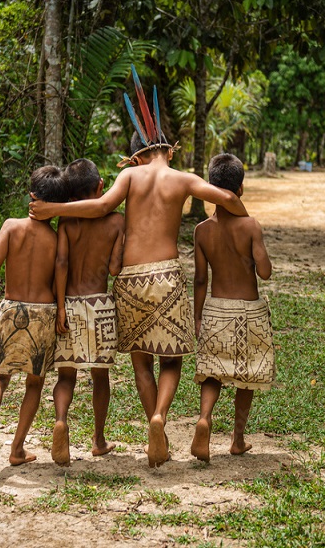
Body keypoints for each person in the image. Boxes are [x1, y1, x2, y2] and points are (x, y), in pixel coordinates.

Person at [29, 75, 247, 467]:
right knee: (172, 361)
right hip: (166, 276)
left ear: (138, 154)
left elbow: (99, 208)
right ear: (167, 149)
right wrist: (242, 215)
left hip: (129, 280)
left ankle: (152, 423)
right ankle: (160, 417)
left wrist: (54, 210)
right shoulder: (183, 179)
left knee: (141, 362)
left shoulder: (129, 176)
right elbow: (228, 199)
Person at [0, 165, 68, 469]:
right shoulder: (57, 237)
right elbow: (60, 274)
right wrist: (60, 309)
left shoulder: (11, 226)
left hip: (12, 309)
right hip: (44, 313)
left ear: (32, 197)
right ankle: (17, 448)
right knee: (34, 384)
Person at [189, 153, 275, 463]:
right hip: (249, 312)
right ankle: (237, 439)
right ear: (240, 189)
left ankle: (204, 419)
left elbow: (200, 280)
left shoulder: (201, 230)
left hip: (215, 310)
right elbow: (264, 273)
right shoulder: (250, 225)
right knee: (246, 376)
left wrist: (198, 317)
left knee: (213, 373)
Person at [50, 158, 125, 466]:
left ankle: (61, 421)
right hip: (100, 307)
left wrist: (59, 306)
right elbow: (114, 267)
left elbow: (61, 264)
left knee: (66, 376)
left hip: (68, 303)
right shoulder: (117, 221)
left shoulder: (66, 222)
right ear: (101, 187)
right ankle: (99, 438)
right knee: (100, 377)